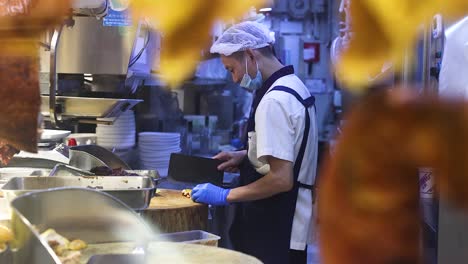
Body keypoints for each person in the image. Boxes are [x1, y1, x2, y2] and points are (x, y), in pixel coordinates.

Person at [191, 21, 318, 264]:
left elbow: (281, 179)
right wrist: (246, 156)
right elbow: (292, 148)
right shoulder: (293, 85)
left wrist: (225, 195)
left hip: (276, 224)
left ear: (250, 55)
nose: (235, 79)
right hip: (289, 221)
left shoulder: (274, 101)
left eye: (231, 69)